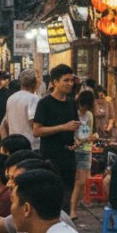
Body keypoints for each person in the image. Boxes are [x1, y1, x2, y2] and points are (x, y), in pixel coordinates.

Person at [32, 64, 80, 205]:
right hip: (50, 157)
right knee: (51, 194)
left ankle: (64, 221)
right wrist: (63, 127)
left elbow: (74, 128)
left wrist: (76, 141)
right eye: (66, 80)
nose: (70, 84)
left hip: (68, 156)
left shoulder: (71, 103)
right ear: (55, 82)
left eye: (72, 80)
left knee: (67, 193)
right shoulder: (44, 103)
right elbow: (37, 131)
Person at [70, 89, 96, 217]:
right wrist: (77, 142)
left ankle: (74, 204)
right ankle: (72, 209)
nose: (83, 110)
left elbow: (90, 132)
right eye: (82, 107)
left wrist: (91, 138)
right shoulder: (73, 113)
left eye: (86, 108)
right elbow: (71, 132)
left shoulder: (90, 115)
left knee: (84, 181)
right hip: (76, 148)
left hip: (86, 149)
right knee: (79, 181)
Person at [1, 69, 40, 150]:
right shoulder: (34, 98)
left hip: (13, 144)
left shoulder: (11, 98)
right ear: (35, 82)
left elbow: (5, 123)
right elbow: (33, 122)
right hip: (31, 145)